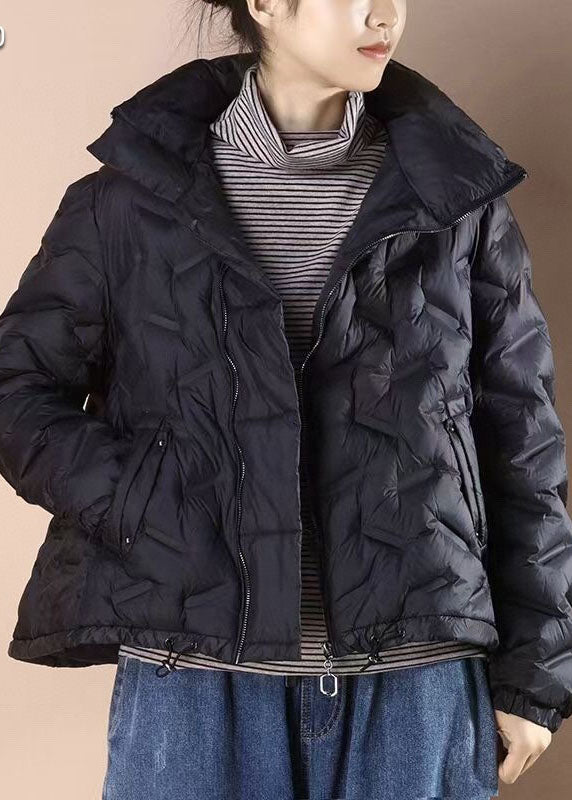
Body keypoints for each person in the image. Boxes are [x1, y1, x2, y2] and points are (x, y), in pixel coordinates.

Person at [0, 0, 570, 797]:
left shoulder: (458, 203)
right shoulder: (125, 201)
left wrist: (536, 674)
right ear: (265, 4)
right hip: (194, 678)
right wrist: (140, 500)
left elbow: (524, 440)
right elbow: (18, 391)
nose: (385, 14)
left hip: (416, 680)